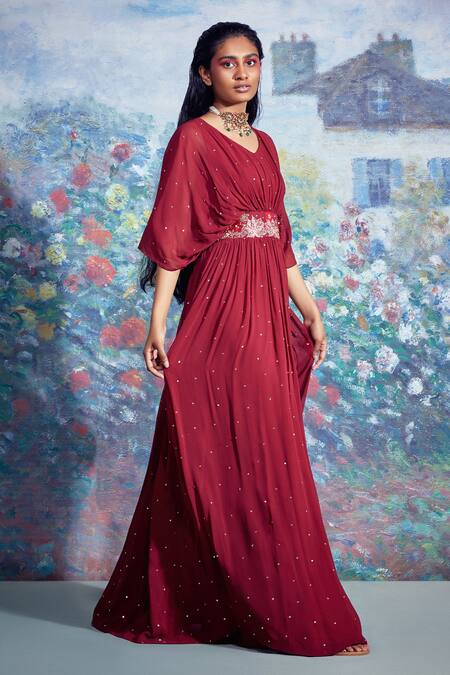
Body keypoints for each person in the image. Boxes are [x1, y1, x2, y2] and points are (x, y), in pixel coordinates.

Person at [91, 21, 370, 658]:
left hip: (267, 306)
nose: (242, 73)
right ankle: (251, 606)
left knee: (271, 452)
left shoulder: (265, 144)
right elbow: (172, 235)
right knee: (217, 450)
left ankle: (263, 600)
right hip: (219, 308)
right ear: (204, 73)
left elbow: (280, 239)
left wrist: (311, 309)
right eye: (227, 63)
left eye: (252, 61)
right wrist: (158, 324)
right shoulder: (192, 139)